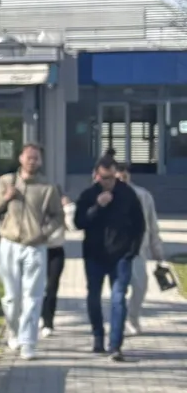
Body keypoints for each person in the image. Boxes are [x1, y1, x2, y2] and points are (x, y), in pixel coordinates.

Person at [0, 144, 65, 360]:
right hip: (9, 243)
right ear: (21, 158)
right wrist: (6, 197)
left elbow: (58, 217)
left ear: (40, 161)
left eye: (36, 158)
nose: (32, 161)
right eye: (29, 157)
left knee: (33, 296)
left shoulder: (48, 187)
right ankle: (13, 330)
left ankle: (28, 342)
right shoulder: (6, 181)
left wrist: (43, 233)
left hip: (35, 246)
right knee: (11, 297)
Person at [73, 154, 147, 361]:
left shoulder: (128, 194)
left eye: (112, 178)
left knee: (118, 298)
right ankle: (98, 336)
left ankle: (115, 345)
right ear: (96, 176)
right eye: (104, 178)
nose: (108, 183)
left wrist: (133, 250)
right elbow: (79, 222)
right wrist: (97, 207)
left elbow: (139, 225)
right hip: (95, 255)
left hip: (121, 255)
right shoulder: (89, 194)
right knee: (94, 297)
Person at [118, 165, 169, 335]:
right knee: (119, 289)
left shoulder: (143, 195)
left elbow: (152, 224)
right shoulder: (108, 195)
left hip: (139, 248)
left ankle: (133, 317)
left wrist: (157, 250)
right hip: (116, 251)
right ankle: (119, 320)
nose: (122, 178)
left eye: (125, 175)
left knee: (140, 286)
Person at [39, 195, 73, 337]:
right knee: (37, 287)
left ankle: (48, 322)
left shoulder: (61, 211)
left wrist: (69, 209)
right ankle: (39, 315)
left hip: (56, 250)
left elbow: (72, 226)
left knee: (52, 287)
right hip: (38, 250)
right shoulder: (38, 208)